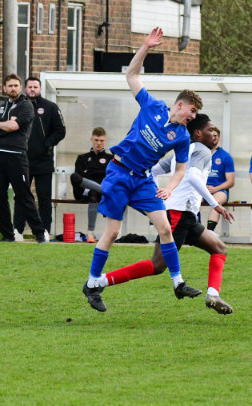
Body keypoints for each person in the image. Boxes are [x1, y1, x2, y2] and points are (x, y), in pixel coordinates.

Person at [81, 26, 202, 313]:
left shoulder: (182, 137)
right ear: (180, 105)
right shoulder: (153, 106)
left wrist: (169, 188)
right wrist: (146, 46)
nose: (193, 117)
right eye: (192, 112)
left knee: (165, 228)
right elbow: (132, 76)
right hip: (119, 173)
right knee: (112, 232)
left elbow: (181, 169)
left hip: (143, 181)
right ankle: (92, 283)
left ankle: (178, 283)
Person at [89, 114, 236, 314]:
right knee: (157, 265)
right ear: (198, 133)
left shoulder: (181, 152)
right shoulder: (202, 150)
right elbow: (193, 177)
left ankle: (213, 295)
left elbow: (154, 171)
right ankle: (101, 282)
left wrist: (159, 194)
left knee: (219, 248)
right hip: (178, 214)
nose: (215, 134)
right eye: (210, 130)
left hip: (185, 215)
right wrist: (215, 204)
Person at [0, 73, 47, 243]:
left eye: (15, 86)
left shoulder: (26, 106)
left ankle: (39, 233)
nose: (13, 89)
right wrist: (1, 125)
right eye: (10, 86)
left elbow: (14, 126)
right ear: (4, 88)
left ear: (20, 88)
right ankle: (7, 234)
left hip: (16, 156)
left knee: (23, 195)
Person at [24, 76, 66, 241]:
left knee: (44, 198)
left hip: (44, 160)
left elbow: (60, 131)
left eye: (35, 87)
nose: (32, 89)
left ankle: (45, 231)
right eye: (30, 87)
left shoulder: (50, 107)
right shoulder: (19, 106)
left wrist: (46, 144)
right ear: (25, 89)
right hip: (23, 161)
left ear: (40, 89)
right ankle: (18, 230)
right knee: (21, 196)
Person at [70, 127, 113, 244]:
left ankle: (90, 233)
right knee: (74, 176)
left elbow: (109, 177)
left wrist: (89, 172)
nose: (99, 143)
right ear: (91, 139)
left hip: (99, 195)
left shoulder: (110, 158)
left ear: (105, 140)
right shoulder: (82, 158)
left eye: (101, 140)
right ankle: (103, 190)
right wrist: (99, 173)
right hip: (83, 192)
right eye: (96, 140)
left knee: (93, 193)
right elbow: (78, 176)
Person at [205, 126, 235, 231]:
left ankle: (209, 233)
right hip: (202, 189)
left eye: (215, 135)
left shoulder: (225, 156)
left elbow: (231, 182)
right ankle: (191, 233)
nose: (213, 137)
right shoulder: (200, 153)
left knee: (215, 202)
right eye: (210, 135)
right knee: (190, 201)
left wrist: (215, 189)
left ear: (219, 138)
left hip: (219, 191)